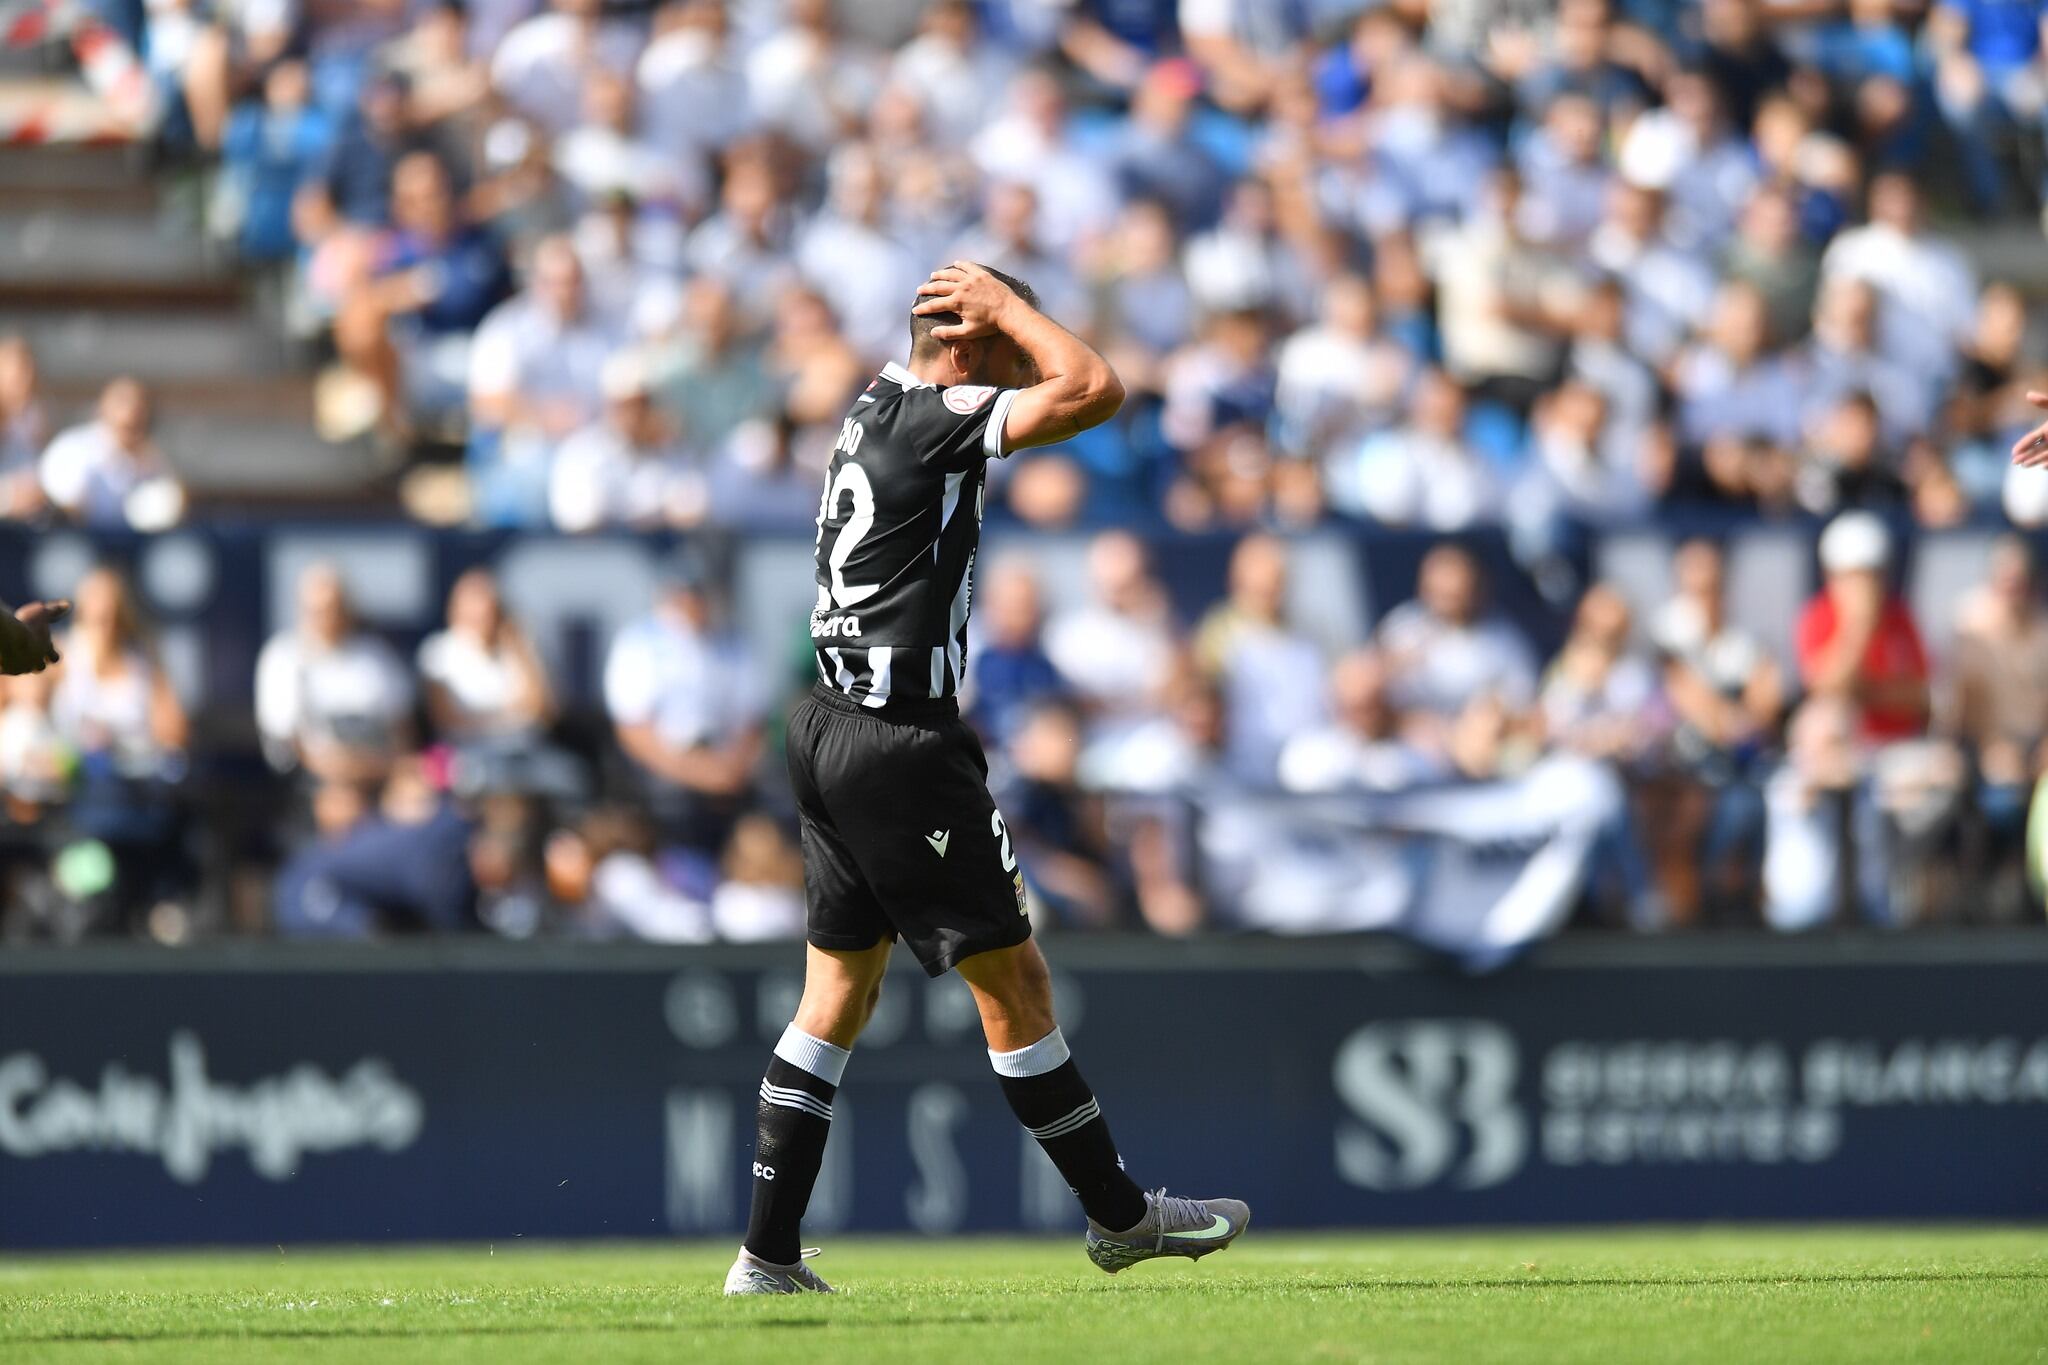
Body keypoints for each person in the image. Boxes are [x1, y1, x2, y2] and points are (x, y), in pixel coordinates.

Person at [729, 262, 1248, 1297]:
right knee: (1014, 983)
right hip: (896, 745)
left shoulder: (874, 405)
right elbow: (1095, 387)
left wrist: (999, 319)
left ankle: (767, 1255)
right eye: (1004, 350)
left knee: (837, 991)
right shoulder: (933, 414)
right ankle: (1117, 1216)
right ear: (964, 348)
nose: (1020, 364)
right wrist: (1009, 311)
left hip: (829, 726)